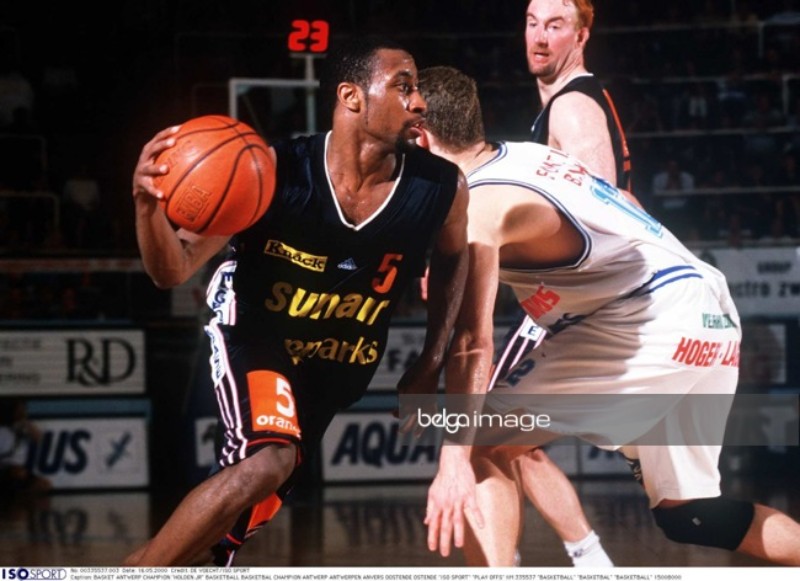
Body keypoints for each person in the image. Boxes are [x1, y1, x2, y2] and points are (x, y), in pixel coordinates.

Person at [416, 65, 800, 567]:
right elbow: (621, 200)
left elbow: (473, 342)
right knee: (693, 515)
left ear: (421, 139)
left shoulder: (479, 206)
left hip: (649, 316)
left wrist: (451, 462)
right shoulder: (533, 157)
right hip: (706, 308)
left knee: (477, 443)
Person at [123, 36, 469, 567]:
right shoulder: (272, 170)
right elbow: (172, 270)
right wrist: (146, 205)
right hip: (255, 337)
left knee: (215, 546)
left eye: (417, 88)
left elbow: (451, 263)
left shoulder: (441, 187)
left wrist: (431, 360)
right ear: (352, 97)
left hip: (334, 370)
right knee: (269, 461)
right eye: (404, 87)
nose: (420, 102)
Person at [493, 0, 635, 566]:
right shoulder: (566, 104)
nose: (539, 37)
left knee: (487, 435)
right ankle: (588, 560)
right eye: (532, 23)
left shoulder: (572, 107)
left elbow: (600, 218)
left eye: (555, 25)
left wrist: (488, 256)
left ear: (582, 35)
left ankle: (515, 567)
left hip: (575, 302)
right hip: (581, 302)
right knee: (502, 439)